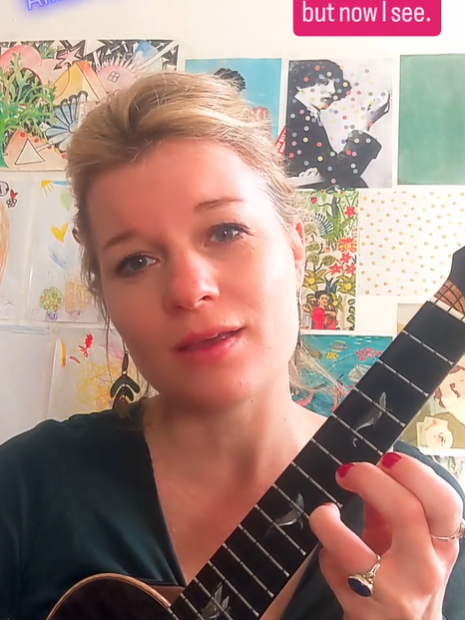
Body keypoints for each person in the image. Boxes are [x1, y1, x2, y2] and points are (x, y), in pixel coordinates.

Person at [0, 71, 464, 620]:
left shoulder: (421, 510)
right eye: (136, 261)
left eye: (225, 232)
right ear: (107, 300)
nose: (188, 289)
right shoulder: (24, 488)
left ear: (295, 250)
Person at [284, 60, 390, 190]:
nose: (332, 90)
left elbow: (333, 170)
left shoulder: (304, 114)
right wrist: (364, 124)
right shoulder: (294, 116)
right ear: (301, 82)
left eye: (335, 84)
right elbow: (339, 174)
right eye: (324, 82)